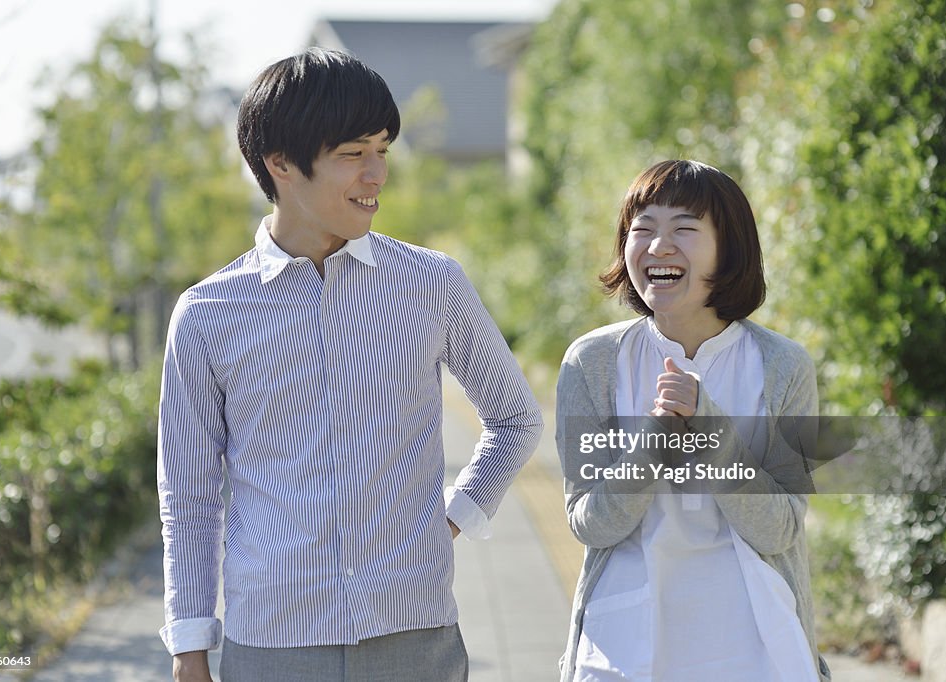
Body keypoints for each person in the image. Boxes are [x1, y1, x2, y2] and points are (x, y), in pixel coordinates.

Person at [157, 47, 543, 682]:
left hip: (413, 635)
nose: (377, 175)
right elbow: (191, 497)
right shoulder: (206, 314)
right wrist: (189, 643)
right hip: (272, 642)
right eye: (352, 154)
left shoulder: (430, 283)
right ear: (281, 164)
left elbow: (514, 417)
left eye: (382, 150)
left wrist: (448, 522)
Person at [555, 160, 831, 681]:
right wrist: (653, 444)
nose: (659, 246)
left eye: (684, 229)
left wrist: (710, 432)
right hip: (623, 643)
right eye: (643, 230)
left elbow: (782, 530)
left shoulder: (781, 366)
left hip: (752, 642)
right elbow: (590, 521)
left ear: (730, 249)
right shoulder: (590, 363)